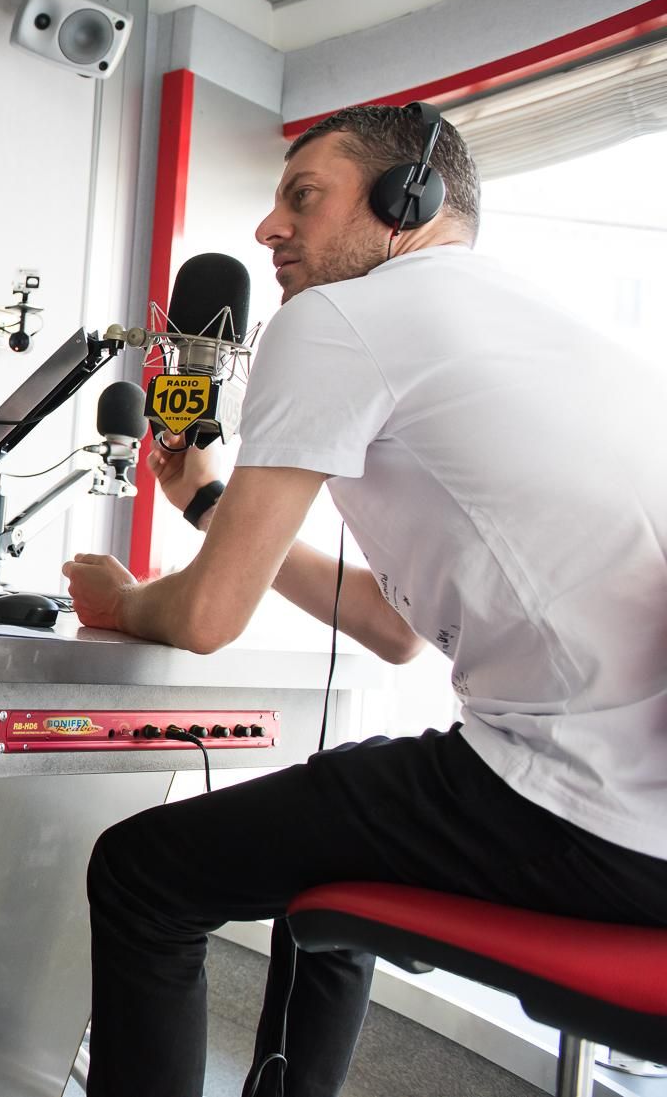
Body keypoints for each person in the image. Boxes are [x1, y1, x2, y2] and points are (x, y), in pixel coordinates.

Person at [62, 105, 667, 1096]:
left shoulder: (337, 319)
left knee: (142, 873)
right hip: (640, 817)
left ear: (405, 199)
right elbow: (390, 632)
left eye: (303, 197)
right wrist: (211, 504)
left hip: (582, 806)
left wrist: (120, 600)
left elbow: (207, 619)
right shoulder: (534, 326)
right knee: (334, 861)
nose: (269, 228)